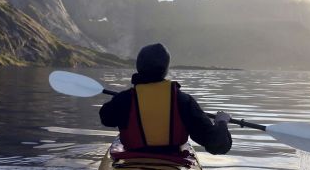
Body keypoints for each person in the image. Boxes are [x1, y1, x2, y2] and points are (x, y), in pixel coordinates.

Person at [99, 43, 232, 155]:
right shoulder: (184, 101)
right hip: (173, 165)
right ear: (165, 69)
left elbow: (106, 119)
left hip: (131, 162)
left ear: (139, 67)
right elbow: (218, 145)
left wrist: (119, 101)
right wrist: (221, 122)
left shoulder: (124, 99)